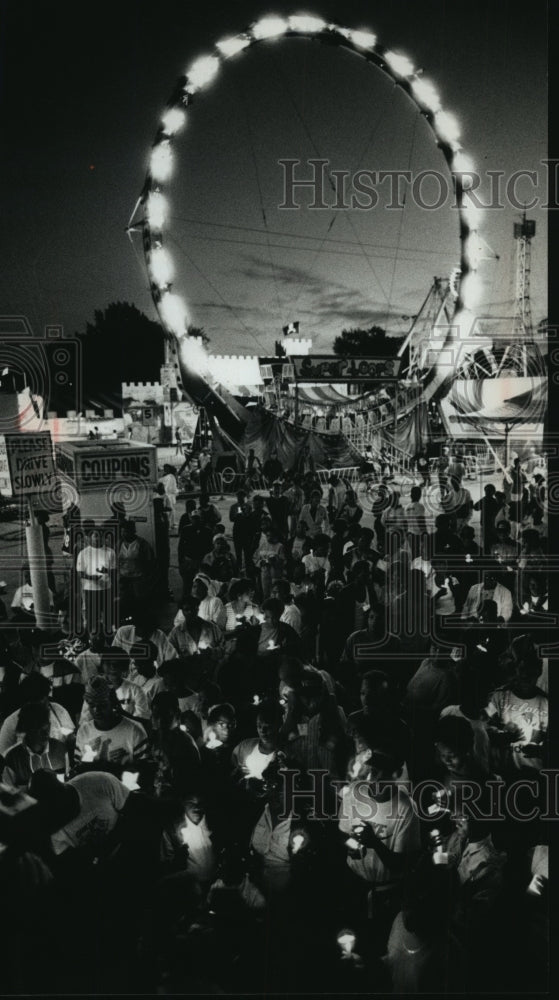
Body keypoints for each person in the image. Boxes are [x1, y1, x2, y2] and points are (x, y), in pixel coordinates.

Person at [75, 675, 149, 767]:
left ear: (113, 704)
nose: (96, 709)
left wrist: (125, 763)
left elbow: (145, 771)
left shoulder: (135, 730)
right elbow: (79, 769)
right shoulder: (84, 731)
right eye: (91, 705)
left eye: (102, 705)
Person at [1, 700, 68, 788]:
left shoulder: (60, 749)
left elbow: (66, 784)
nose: (45, 734)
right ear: (27, 730)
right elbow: (10, 794)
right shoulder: (12, 759)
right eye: (38, 728)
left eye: (47, 727)